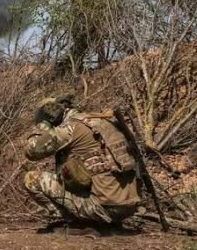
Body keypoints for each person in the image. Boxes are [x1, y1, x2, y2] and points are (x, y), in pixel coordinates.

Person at [23, 96, 141, 228]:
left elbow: (32, 151)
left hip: (101, 207)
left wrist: (44, 124)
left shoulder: (71, 128)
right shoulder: (104, 120)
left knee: (31, 179)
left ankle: (71, 221)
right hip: (130, 206)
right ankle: (104, 221)